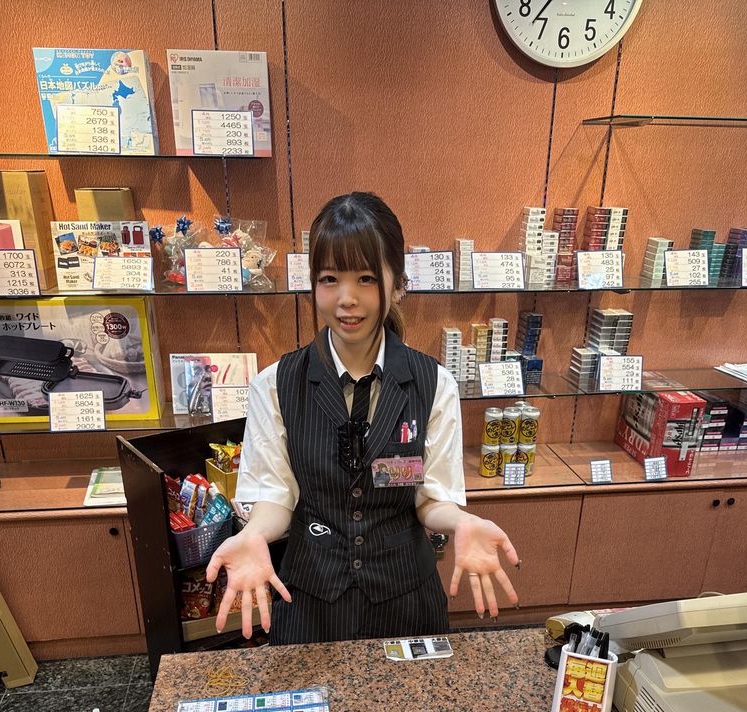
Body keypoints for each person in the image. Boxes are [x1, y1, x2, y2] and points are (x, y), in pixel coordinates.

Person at [207, 191, 519, 645]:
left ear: (398, 284)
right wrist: (254, 533)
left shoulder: (434, 383)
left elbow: (429, 499)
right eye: (330, 279)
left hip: (407, 602)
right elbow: (277, 495)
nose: (346, 299)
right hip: (310, 602)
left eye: (366, 278)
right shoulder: (275, 384)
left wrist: (460, 522)